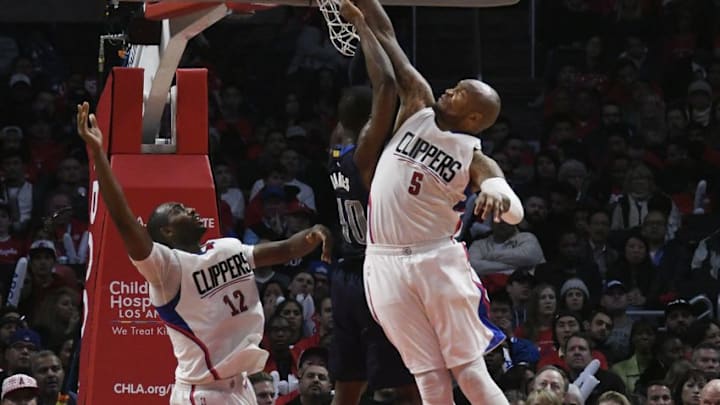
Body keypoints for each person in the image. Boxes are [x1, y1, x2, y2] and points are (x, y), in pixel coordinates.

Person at [76, 102, 333, 405]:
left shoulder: (226, 247)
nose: (187, 207)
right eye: (177, 210)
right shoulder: (167, 268)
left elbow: (285, 249)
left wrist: (314, 233)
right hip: (202, 393)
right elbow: (123, 220)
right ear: (167, 233)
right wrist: (98, 155)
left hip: (242, 386)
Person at [354, 0, 523, 403]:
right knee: (428, 377)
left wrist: (496, 192)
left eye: (462, 92)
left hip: (436, 260)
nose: (451, 89)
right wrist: (363, 8)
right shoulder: (418, 104)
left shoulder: (472, 153)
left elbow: (501, 191)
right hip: (382, 259)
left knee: (469, 371)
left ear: (475, 119)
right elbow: (388, 38)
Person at [327, 1, 419, 404]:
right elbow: (386, 87)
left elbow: (369, 101)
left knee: (347, 384)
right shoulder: (366, 156)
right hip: (373, 273)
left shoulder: (336, 148)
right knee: (404, 385)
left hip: (345, 277)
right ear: (372, 125)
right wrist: (360, 24)